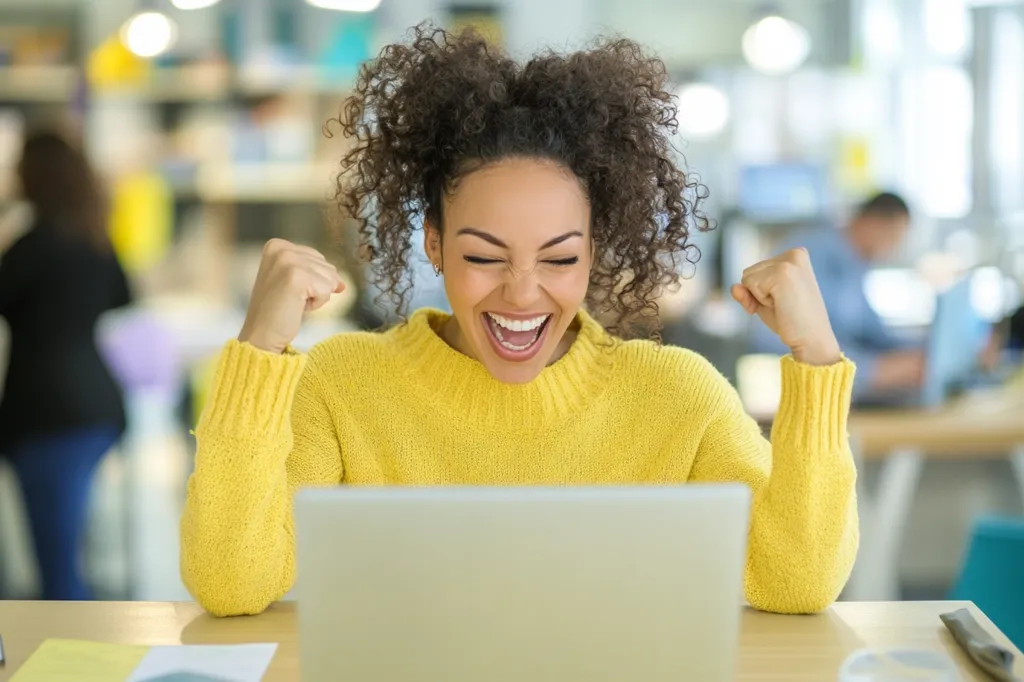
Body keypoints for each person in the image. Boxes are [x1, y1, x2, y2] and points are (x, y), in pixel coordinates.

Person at [181, 26, 858, 618]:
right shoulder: (342, 386)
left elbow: (795, 581)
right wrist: (259, 349)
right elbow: (231, 582)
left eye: (559, 257)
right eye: (483, 255)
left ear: (596, 247)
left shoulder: (679, 397)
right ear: (435, 244)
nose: (522, 292)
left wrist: (817, 358)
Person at [0, 130, 131, 600]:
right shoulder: (93, 239)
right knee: (68, 556)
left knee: (57, 572)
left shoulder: (31, 248)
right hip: (95, 405)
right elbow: (123, 294)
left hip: (47, 415)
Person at [750, 192, 923, 399]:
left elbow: (874, 333)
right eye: (893, 237)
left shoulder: (855, 264)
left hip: (841, 387)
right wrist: (873, 371)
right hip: (800, 392)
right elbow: (771, 340)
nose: (892, 249)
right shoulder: (809, 255)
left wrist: (922, 352)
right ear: (870, 223)